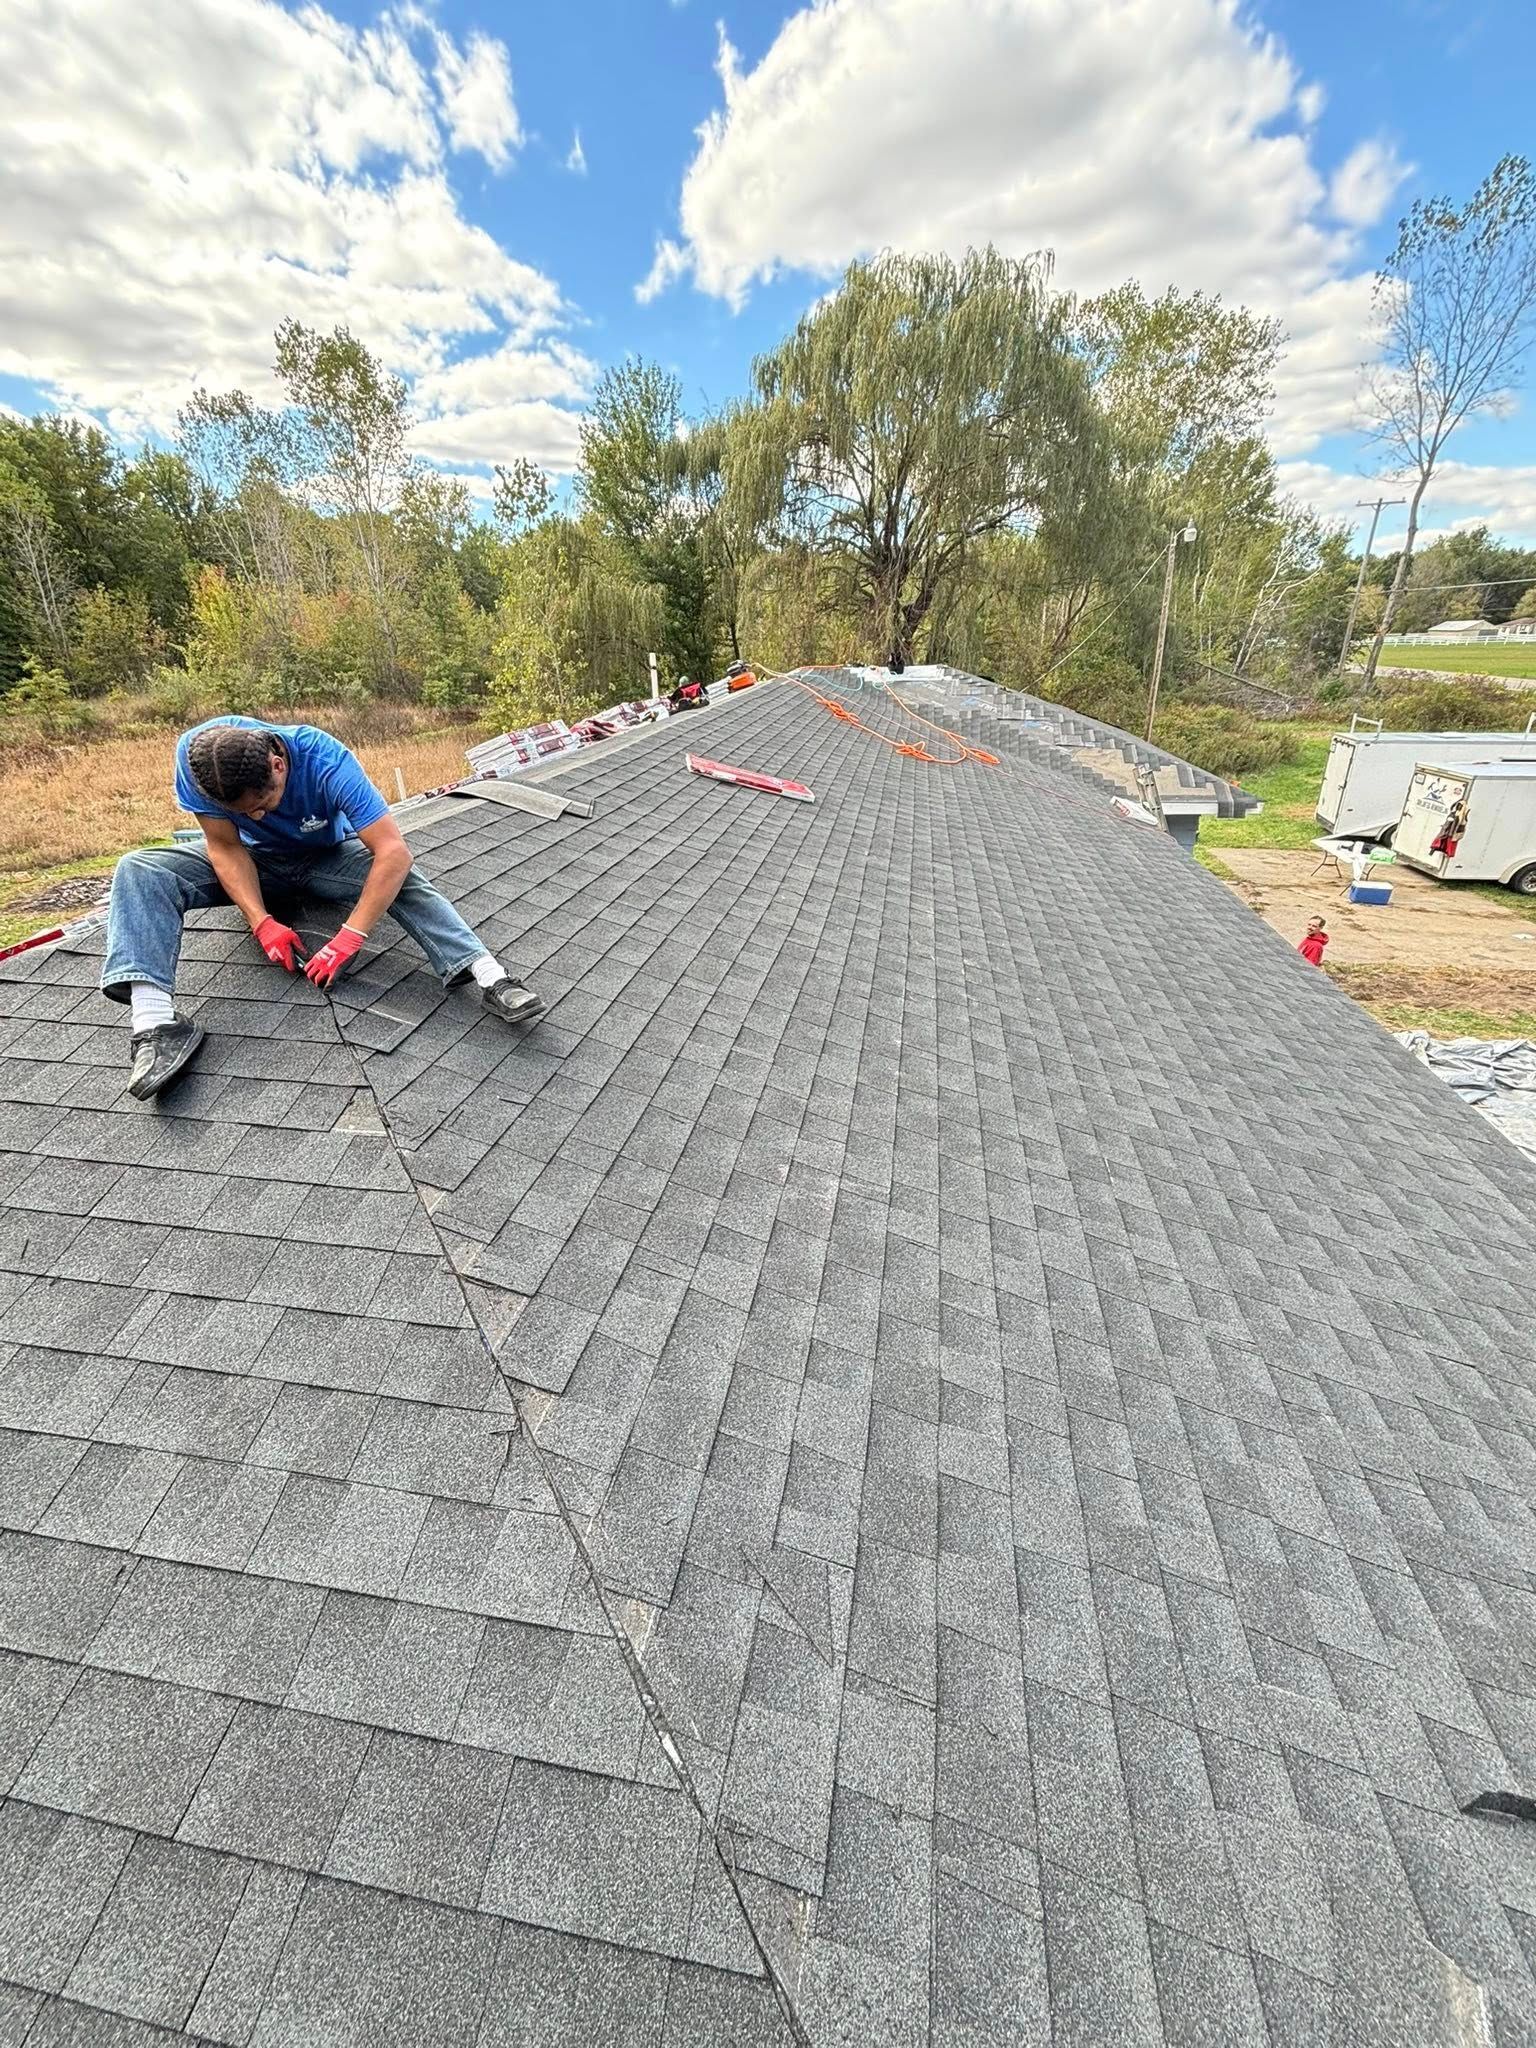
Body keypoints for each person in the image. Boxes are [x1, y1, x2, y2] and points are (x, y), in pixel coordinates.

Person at [102, 717, 545, 1101]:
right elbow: (223, 846)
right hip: (252, 864)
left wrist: (350, 935)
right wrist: (261, 922)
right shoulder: (197, 762)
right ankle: (156, 1027)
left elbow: (393, 851)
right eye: (244, 812)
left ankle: (491, 976)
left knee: (397, 877)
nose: (256, 817)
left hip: (325, 859)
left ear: (278, 765)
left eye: (263, 804)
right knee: (140, 869)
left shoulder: (324, 758)